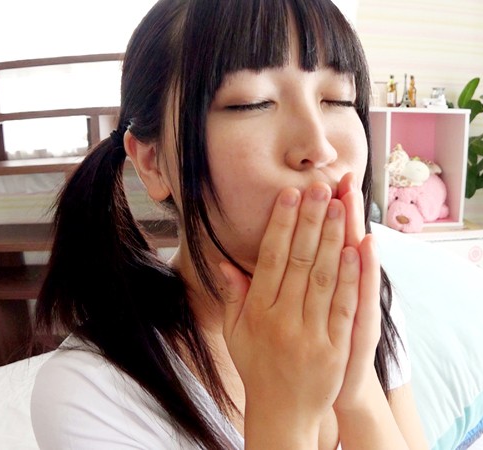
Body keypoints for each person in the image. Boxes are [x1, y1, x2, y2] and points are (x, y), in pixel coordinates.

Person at [31, 0, 429, 448]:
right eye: (252, 103)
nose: (319, 146)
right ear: (153, 162)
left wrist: (357, 393)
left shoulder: (365, 301)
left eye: (337, 99)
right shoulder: (92, 394)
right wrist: (284, 415)